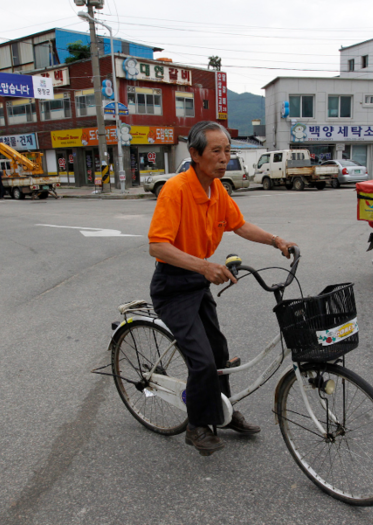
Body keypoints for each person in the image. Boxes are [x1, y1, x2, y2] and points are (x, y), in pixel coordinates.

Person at [148, 121, 296, 456]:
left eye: (227, 151)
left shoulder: (218, 190)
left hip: (198, 281)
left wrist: (276, 241)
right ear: (195, 154)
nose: (224, 157)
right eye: (216, 151)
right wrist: (204, 266)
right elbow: (157, 246)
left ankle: (222, 414)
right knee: (201, 362)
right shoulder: (176, 190)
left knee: (220, 355)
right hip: (173, 285)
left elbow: (239, 225)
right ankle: (197, 425)